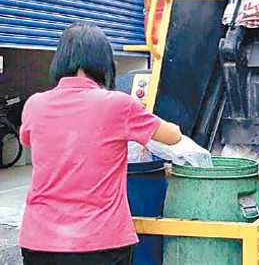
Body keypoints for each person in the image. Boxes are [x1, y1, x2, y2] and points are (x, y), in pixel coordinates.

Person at [19, 22, 184, 265]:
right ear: (104, 63)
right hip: (101, 243)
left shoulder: (35, 104)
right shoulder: (118, 105)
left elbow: (27, 138)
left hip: (40, 242)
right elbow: (173, 136)